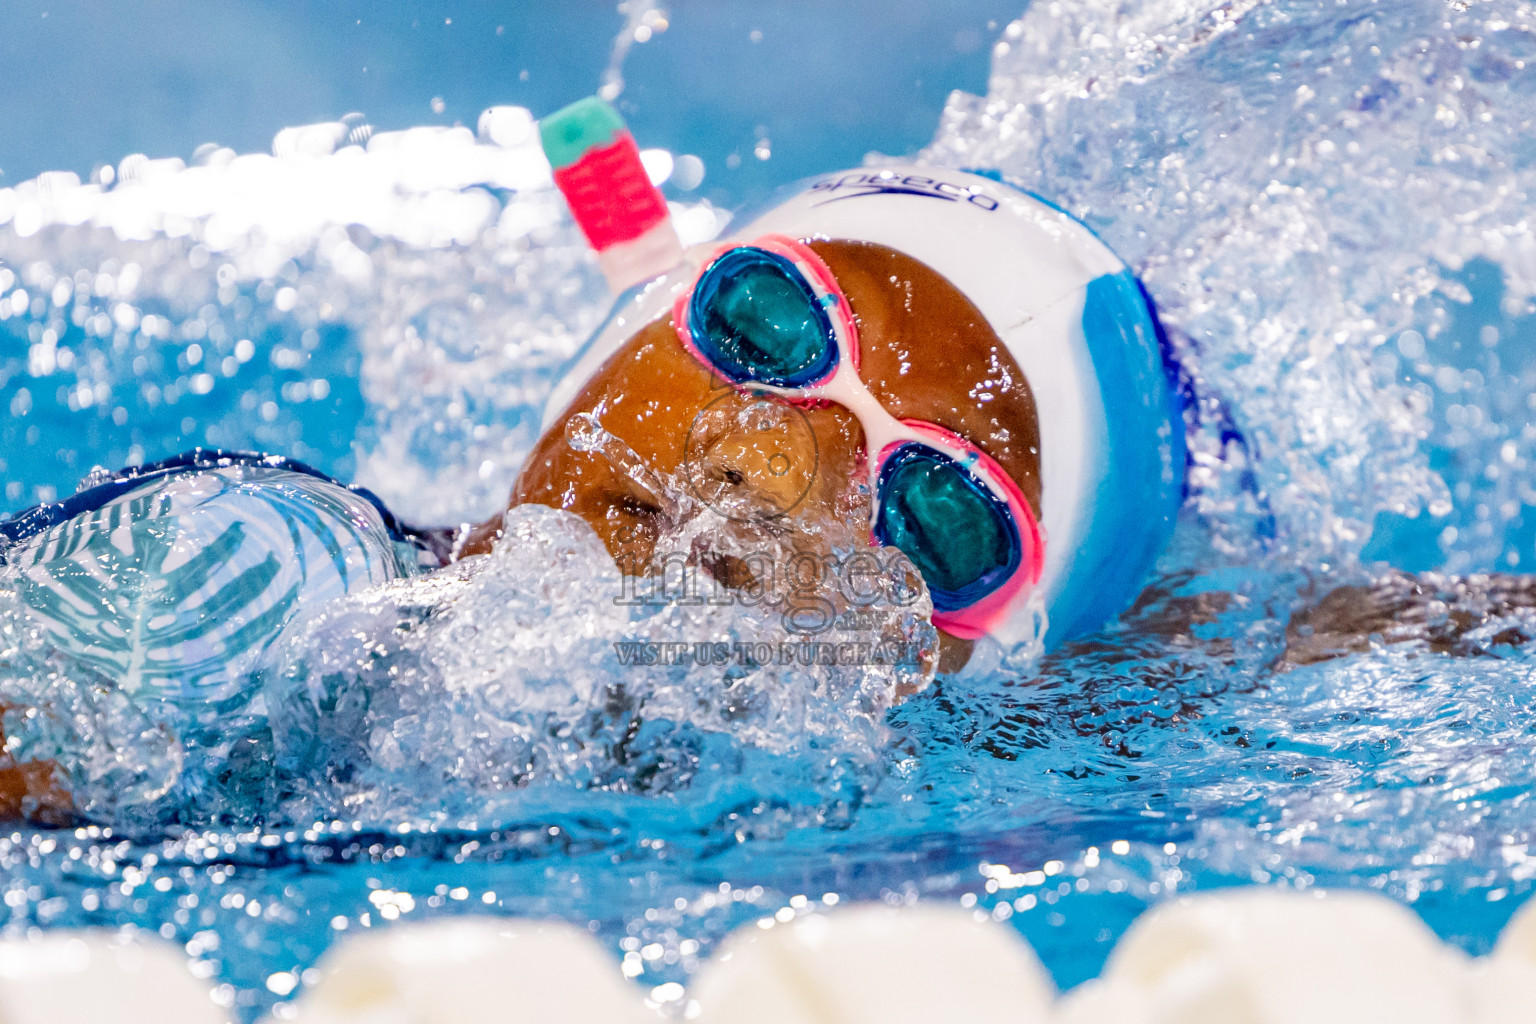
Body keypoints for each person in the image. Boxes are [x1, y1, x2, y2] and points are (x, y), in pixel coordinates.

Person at [0, 98, 1185, 816]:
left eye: (942, 510)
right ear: (633, 330)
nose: (768, 467)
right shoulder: (252, 577)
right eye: (771, 326)